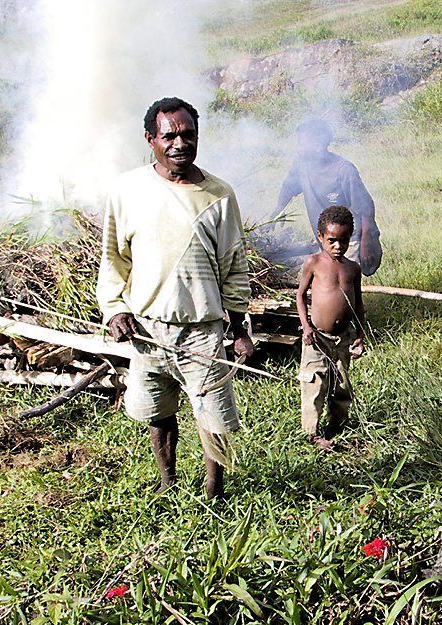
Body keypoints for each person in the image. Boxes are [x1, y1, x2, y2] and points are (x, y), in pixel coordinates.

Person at [97, 97, 254, 499]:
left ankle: (214, 491)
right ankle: (168, 484)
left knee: (212, 417)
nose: (179, 143)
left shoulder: (219, 195)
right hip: (148, 330)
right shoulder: (127, 190)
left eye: (188, 134)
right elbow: (114, 259)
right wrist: (115, 310)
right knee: (159, 413)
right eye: (169, 136)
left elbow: (235, 266)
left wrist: (237, 326)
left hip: (203, 330)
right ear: (150, 139)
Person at [295, 205, 367, 450]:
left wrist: (359, 335)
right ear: (320, 237)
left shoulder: (352, 268)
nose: (338, 247)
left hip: (343, 339)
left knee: (342, 384)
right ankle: (312, 434)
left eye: (344, 241)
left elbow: (358, 303)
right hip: (317, 338)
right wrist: (306, 327)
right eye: (332, 241)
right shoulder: (313, 263)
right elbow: (300, 296)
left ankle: (337, 425)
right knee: (314, 383)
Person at [272, 119, 383, 276]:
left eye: (302, 143)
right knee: (329, 280)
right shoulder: (301, 165)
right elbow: (288, 188)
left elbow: (365, 208)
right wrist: (275, 213)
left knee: (344, 280)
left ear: (318, 146)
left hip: (348, 239)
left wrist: (366, 244)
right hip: (326, 237)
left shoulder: (344, 171)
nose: (298, 149)